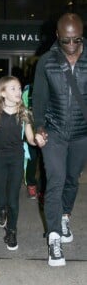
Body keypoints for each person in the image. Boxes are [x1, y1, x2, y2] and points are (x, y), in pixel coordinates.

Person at [32, 13, 87, 267]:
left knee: (71, 180)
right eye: (67, 41)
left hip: (81, 134)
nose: (73, 45)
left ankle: (65, 215)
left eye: (77, 39)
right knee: (54, 181)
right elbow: (39, 99)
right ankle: (53, 237)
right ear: (57, 36)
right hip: (54, 132)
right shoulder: (47, 62)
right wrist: (38, 127)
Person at [0, 76, 41, 251]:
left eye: (19, 88)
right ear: (3, 92)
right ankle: (1, 209)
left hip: (16, 159)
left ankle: (12, 231)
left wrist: (37, 139)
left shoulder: (24, 113)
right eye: (13, 88)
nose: (18, 92)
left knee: (13, 199)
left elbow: (29, 138)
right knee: (1, 196)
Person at [22, 80, 46, 201]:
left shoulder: (54, 86)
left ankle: (43, 189)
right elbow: (23, 109)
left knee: (45, 162)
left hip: (48, 131)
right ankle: (31, 184)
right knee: (32, 159)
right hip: (31, 130)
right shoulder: (28, 90)